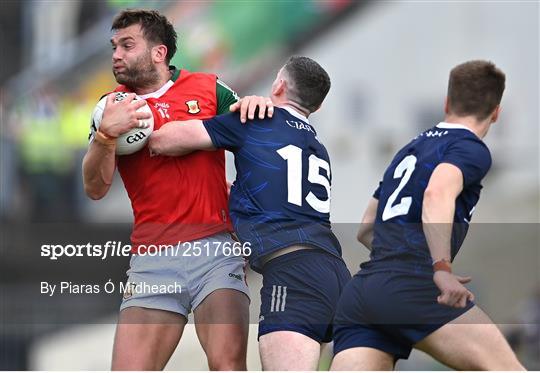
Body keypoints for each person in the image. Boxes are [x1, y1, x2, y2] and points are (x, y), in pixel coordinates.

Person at [82, 9, 273, 371]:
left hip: (216, 250)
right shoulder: (110, 107)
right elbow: (94, 188)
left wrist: (255, 105)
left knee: (227, 364)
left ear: (159, 53)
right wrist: (105, 137)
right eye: (113, 47)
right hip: (152, 258)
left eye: (127, 45)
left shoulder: (208, 88)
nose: (116, 55)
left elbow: (259, 144)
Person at [148, 56, 352, 370]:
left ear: (279, 85)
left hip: (293, 272)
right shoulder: (315, 144)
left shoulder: (255, 120)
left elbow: (165, 141)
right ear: (317, 107)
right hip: (336, 274)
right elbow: (275, 195)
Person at [330, 60, 525, 371]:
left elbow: (366, 227)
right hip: (413, 287)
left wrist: (393, 260)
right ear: (496, 111)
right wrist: (441, 268)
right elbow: (437, 193)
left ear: (447, 103)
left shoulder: (409, 149)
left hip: (363, 292)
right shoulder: (470, 148)